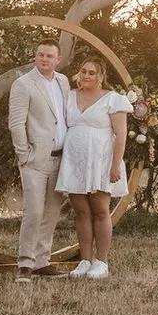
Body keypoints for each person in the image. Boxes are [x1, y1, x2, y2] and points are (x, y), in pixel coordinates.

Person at [55, 53, 131, 279]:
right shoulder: (69, 96)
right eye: (84, 72)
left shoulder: (112, 99)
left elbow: (121, 135)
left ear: (100, 76)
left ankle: (102, 262)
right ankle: (85, 260)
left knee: (100, 211)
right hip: (75, 160)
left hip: (101, 161)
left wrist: (115, 165)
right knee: (81, 212)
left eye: (92, 72)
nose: (86, 76)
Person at [8, 41, 71, 279]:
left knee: (52, 212)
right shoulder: (23, 84)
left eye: (49, 56)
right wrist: (23, 154)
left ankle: (42, 261)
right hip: (35, 158)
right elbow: (16, 123)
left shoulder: (63, 82)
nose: (44, 59)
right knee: (33, 211)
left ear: (58, 59)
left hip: (60, 158)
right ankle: (25, 264)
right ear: (35, 57)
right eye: (40, 55)